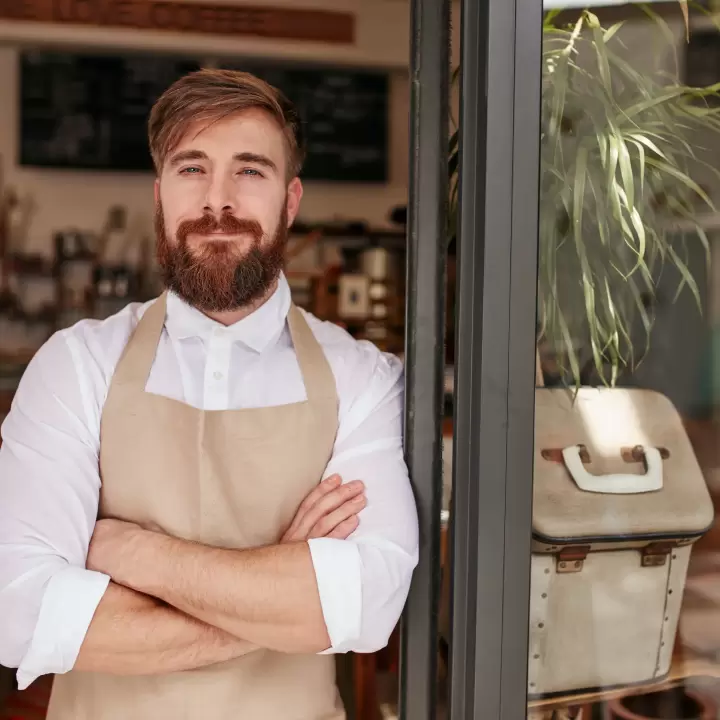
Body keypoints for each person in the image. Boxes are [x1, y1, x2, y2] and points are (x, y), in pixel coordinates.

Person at [0, 69, 419, 719]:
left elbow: (366, 608)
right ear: (159, 194)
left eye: (250, 171)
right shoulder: (74, 366)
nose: (217, 200)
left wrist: (133, 552)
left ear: (291, 200)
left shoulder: (364, 379)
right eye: (191, 169)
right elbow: (22, 614)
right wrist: (283, 590)